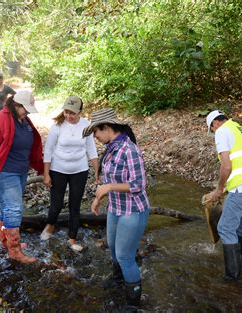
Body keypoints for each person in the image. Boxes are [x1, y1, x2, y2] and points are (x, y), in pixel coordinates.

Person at [83, 108, 150, 308]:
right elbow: (108, 179)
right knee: (113, 249)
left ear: (106, 128)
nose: (95, 136)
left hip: (133, 210)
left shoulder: (129, 149)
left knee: (124, 256)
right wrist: (98, 199)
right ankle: (119, 280)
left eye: (96, 132)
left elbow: (139, 185)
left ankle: (133, 303)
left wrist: (109, 187)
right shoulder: (111, 147)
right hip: (115, 208)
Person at [0, 90, 44, 264]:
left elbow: (31, 146)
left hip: (20, 171)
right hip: (3, 172)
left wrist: (40, 167)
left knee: (7, 207)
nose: (27, 112)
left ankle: (5, 241)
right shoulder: (0, 119)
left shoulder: (23, 120)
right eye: (25, 109)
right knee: (14, 208)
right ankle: (14, 250)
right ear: (15, 105)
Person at [206, 109, 242, 281]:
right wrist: (227, 187)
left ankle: (233, 277)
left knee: (225, 228)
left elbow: (226, 166)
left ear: (215, 123)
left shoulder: (222, 131)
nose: (213, 132)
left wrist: (218, 189)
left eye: (211, 129)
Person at [40, 96, 99, 252]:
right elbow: (48, 151)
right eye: (66, 112)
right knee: (56, 204)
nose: (68, 116)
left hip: (79, 170)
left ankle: (72, 239)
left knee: (75, 205)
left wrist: (97, 172)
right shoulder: (57, 126)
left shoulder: (86, 125)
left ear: (80, 111)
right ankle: (50, 225)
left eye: (72, 113)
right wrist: (46, 174)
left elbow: (91, 149)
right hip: (58, 169)